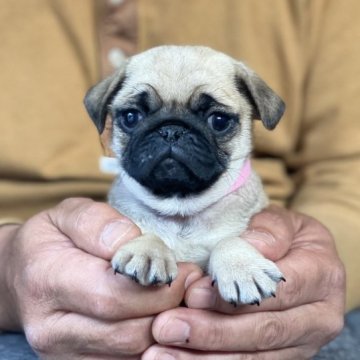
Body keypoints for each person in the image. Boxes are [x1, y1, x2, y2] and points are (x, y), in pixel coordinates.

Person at [0, 0, 359, 359]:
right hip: (35, 298)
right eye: (132, 117)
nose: (171, 136)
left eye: (217, 121)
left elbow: (347, 170)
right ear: (105, 112)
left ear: (255, 114)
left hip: (272, 316)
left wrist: (320, 264)